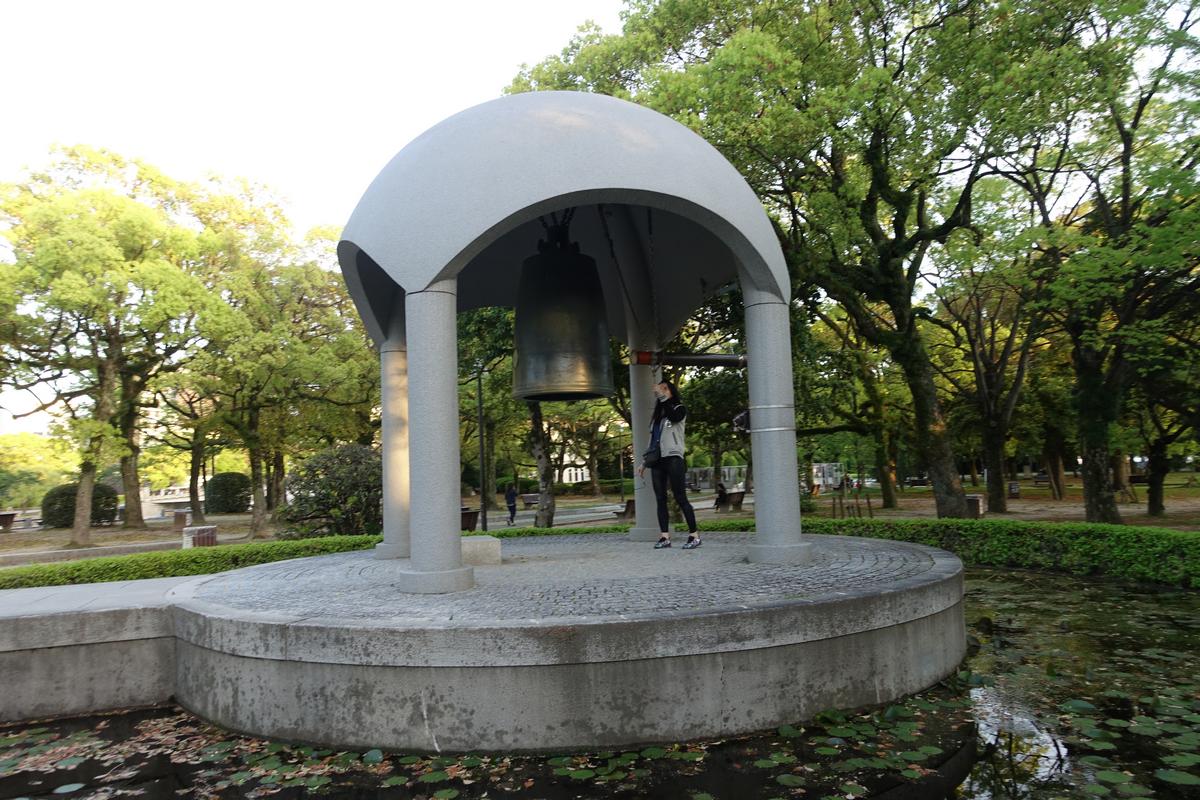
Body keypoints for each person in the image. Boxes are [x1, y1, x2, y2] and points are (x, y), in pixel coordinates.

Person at [637, 379, 700, 549]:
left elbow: (674, 417)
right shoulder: (657, 416)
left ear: (671, 391)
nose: (662, 391)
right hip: (657, 460)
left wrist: (662, 398)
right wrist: (644, 462)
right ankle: (665, 537)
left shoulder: (679, 409)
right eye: (660, 389)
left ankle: (694, 536)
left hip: (673, 458)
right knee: (660, 499)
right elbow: (653, 441)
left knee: (681, 498)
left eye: (665, 389)